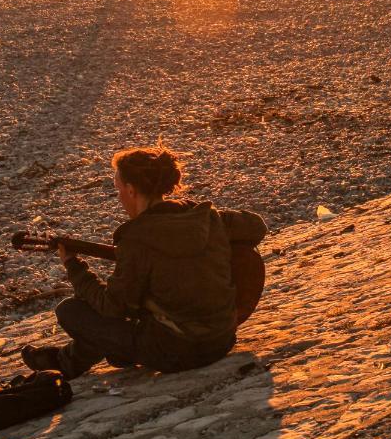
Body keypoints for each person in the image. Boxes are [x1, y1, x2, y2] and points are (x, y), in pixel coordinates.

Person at [21, 144, 267, 379]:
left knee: (70, 310)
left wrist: (74, 267)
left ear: (131, 189)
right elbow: (256, 227)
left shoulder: (136, 239)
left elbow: (113, 307)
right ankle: (67, 361)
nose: (119, 197)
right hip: (222, 339)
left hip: (178, 352)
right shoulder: (206, 216)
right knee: (147, 303)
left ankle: (68, 362)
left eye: (118, 189)